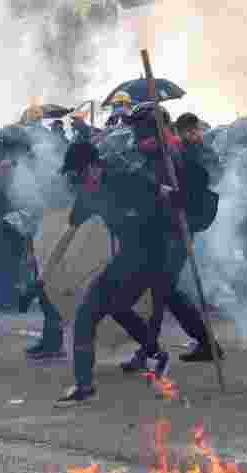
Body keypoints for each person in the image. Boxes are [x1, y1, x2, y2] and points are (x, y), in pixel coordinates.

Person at [55, 138, 173, 406]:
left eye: (79, 173)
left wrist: (176, 198)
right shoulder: (88, 195)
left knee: (110, 307)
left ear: (94, 167)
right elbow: (68, 233)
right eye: (73, 176)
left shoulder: (127, 181)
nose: (77, 181)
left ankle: (154, 354)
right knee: (92, 314)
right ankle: (85, 385)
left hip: (152, 257)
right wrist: (42, 275)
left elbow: (165, 192)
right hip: (125, 259)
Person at [113, 109, 224, 369]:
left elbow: (192, 189)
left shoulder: (172, 156)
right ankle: (206, 344)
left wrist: (172, 197)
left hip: (175, 233)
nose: (137, 138)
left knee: (161, 290)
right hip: (162, 234)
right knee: (167, 291)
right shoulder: (153, 156)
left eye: (140, 133)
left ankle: (149, 352)